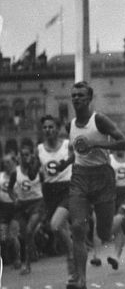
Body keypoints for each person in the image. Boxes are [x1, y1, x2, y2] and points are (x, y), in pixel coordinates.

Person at [61, 81, 125, 289]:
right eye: (73, 95)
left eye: (81, 95)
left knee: (103, 232)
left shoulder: (99, 120)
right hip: (80, 177)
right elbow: (79, 151)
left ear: (89, 98)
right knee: (77, 228)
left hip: (103, 176)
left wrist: (99, 144)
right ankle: (81, 281)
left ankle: (121, 218)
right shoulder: (70, 125)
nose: (76, 99)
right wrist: (66, 163)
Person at [38, 115, 75, 280]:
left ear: (57, 129)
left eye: (51, 127)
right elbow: (34, 172)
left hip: (66, 188)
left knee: (55, 225)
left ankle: (71, 255)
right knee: (62, 228)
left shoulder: (67, 145)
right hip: (49, 191)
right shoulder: (39, 149)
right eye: (45, 127)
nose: (48, 130)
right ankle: (74, 269)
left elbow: (77, 158)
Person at [8, 143, 43, 275]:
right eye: (22, 155)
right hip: (22, 205)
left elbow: (45, 184)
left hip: (37, 203)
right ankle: (31, 254)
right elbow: (10, 189)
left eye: (27, 155)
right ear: (19, 157)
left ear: (31, 156)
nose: (24, 157)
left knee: (29, 231)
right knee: (24, 234)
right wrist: (14, 198)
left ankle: (27, 265)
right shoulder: (15, 172)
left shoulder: (38, 171)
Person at [105, 150, 125, 270]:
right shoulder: (109, 159)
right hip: (112, 193)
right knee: (119, 228)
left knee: (120, 217)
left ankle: (107, 235)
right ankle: (116, 257)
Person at [0, 154, 21, 270]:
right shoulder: (1, 176)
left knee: (13, 236)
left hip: (15, 208)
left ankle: (17, 258)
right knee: (3, 237)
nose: (6, 164)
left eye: (8, 162)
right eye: (4, 162)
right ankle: (7, 257)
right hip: (3, 209)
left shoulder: (20, 174)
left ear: (14, 162)